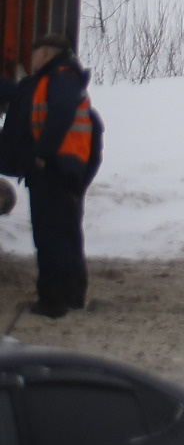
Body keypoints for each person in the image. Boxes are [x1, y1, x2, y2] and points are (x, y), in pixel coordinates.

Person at [0, 35, 101, 318]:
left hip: (56, 170)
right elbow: (18, 92)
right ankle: (71, 297)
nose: (30, 61)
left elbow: (61, 114)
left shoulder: (62, 79)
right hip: (61, 170)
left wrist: (42, 154)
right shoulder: (50, 81)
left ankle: (53, 301)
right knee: (64, 235)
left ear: (44, 53)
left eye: (33, 54)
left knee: (51, 236)